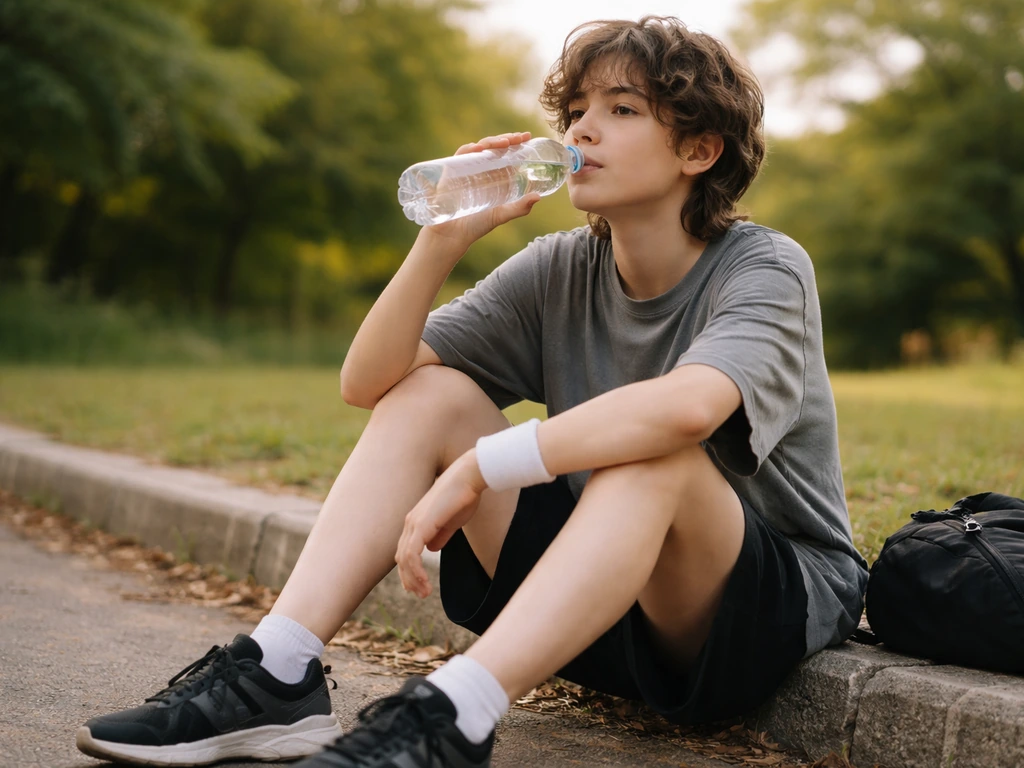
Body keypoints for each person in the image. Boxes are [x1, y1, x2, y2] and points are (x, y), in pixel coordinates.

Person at [75, 15, 869, 768]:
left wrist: (485, 466)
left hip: (748, 618)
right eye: (577, 109)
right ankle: (276, 673)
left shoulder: (764, 267)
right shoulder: (560, 267)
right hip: (599, 605)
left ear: (698, 149)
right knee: (431, 395)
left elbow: (689, 410)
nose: (581, 131)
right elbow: (370, 383)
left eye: (621, 109)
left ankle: (451, 716)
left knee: (656, 455)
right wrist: (440, 242)